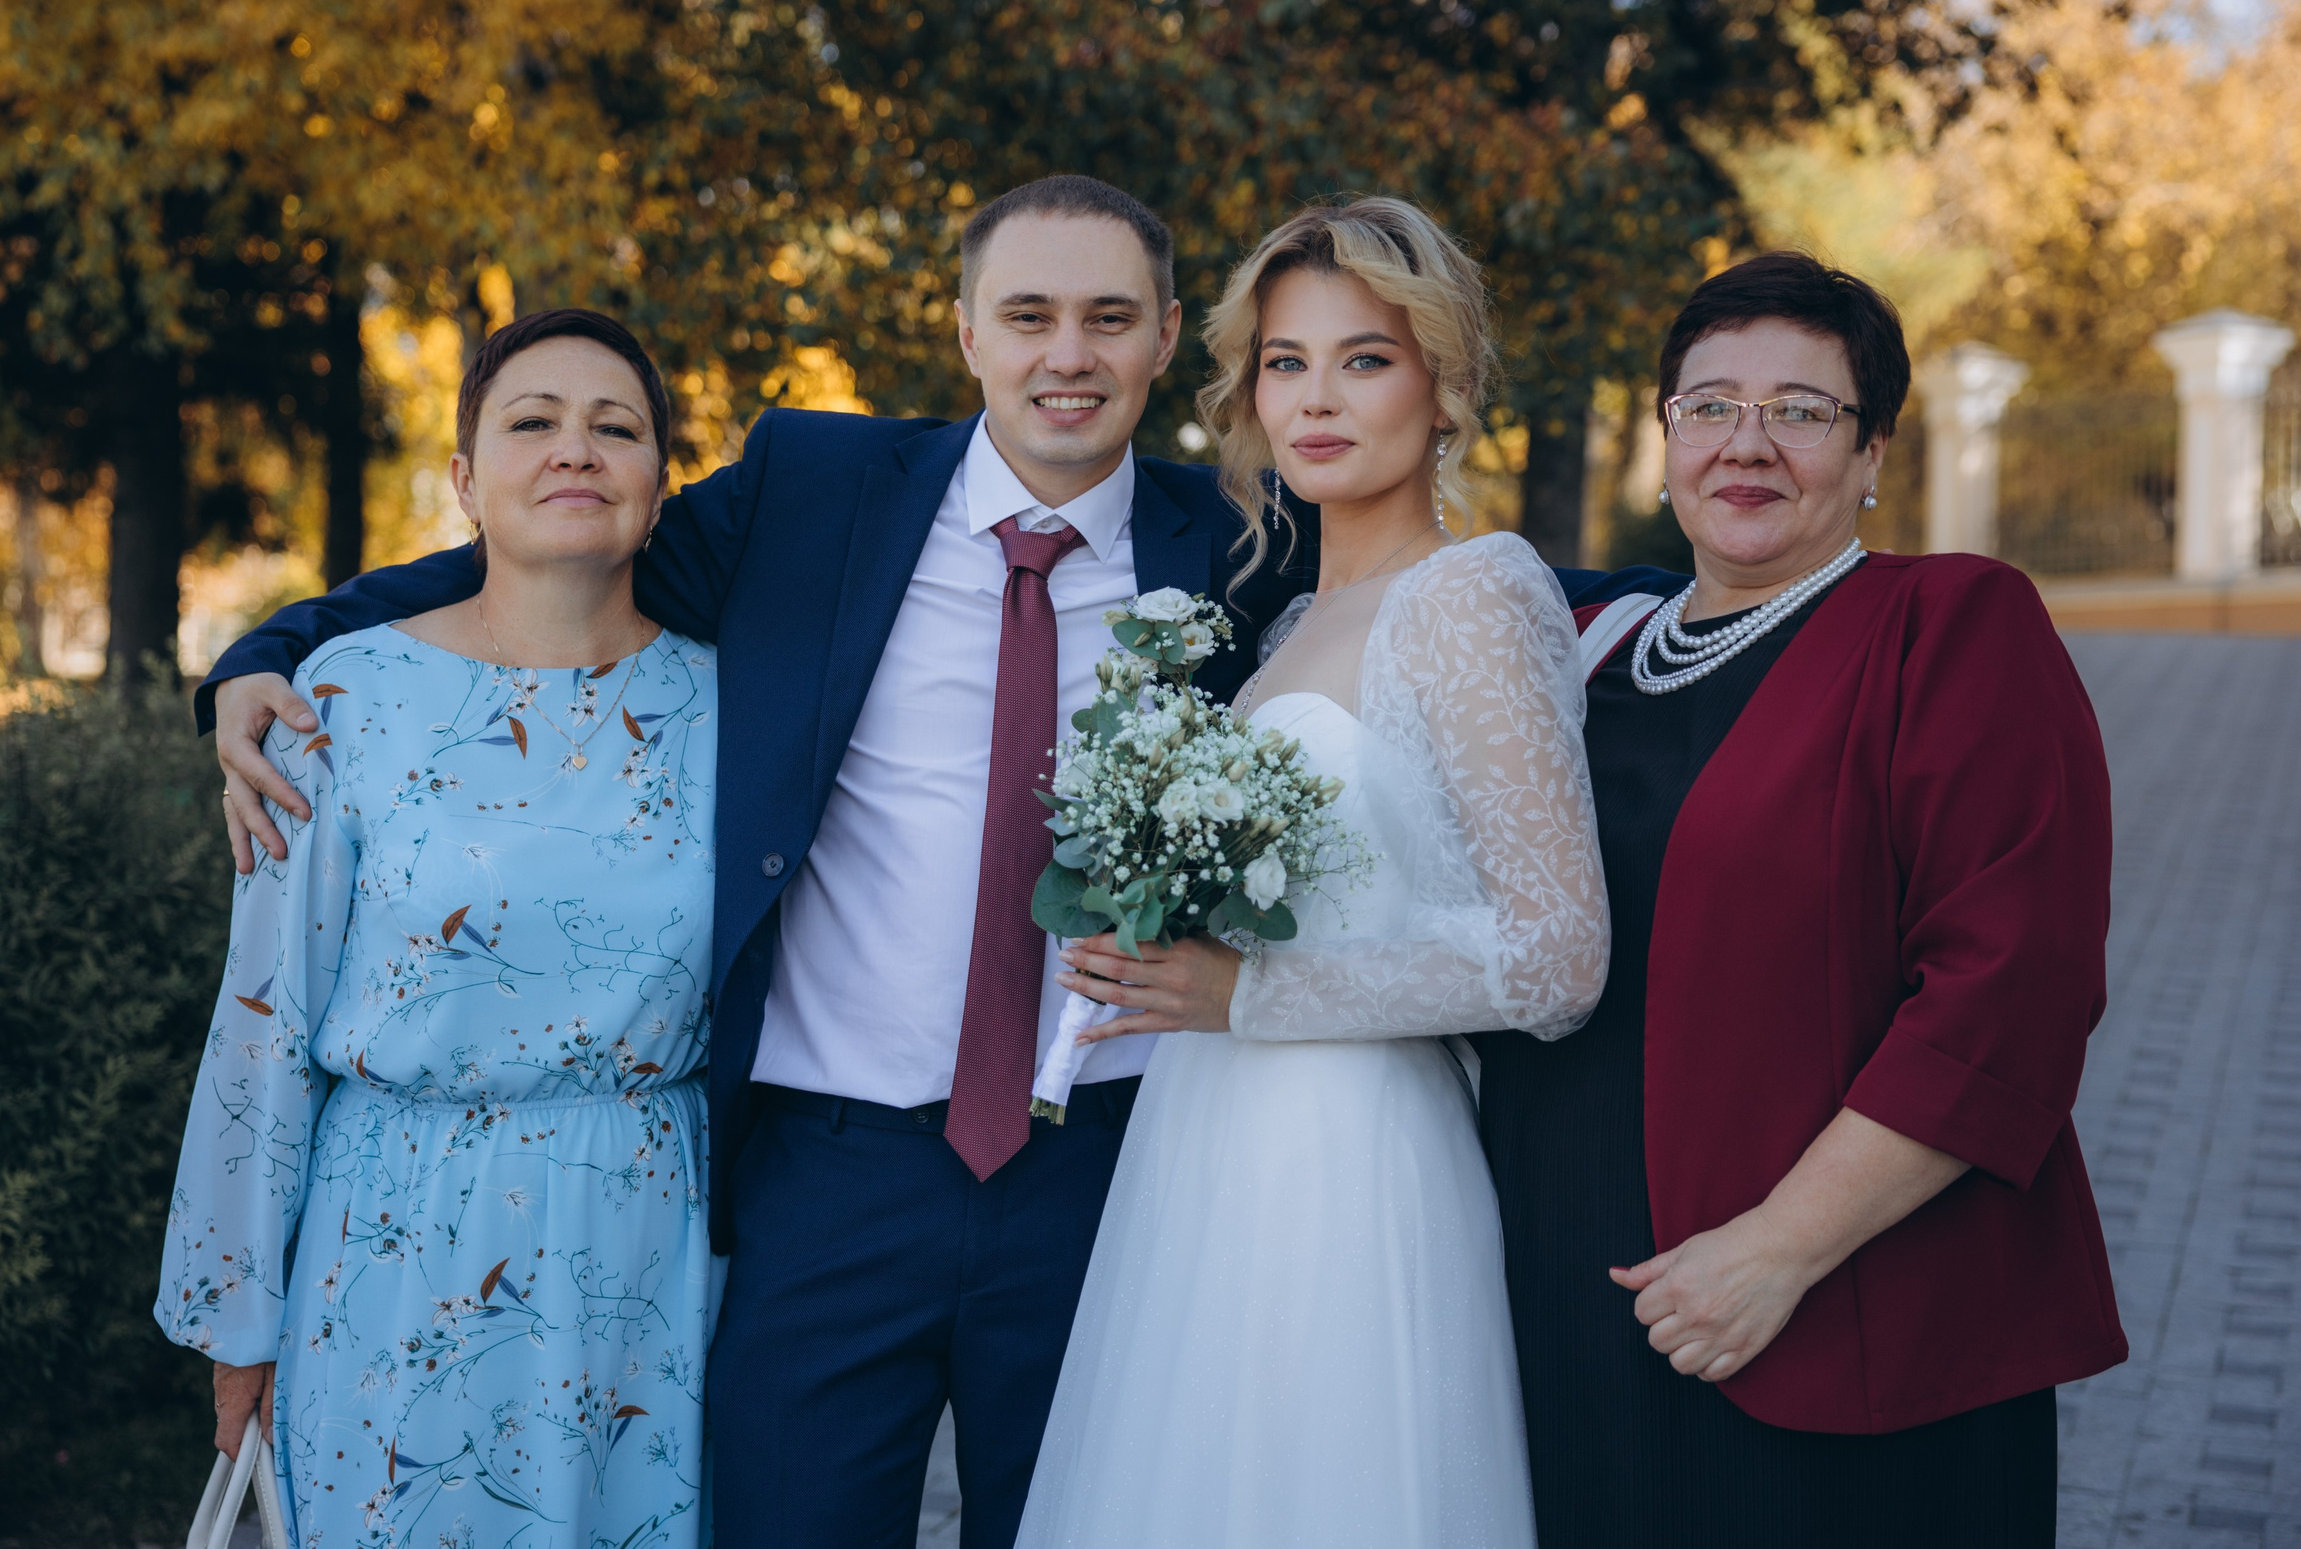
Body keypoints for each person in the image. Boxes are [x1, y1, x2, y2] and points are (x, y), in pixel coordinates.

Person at [199, 178, 1676, 1546]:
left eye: (1109, 318)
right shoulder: (815, 488)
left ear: (1167, 337)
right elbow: (560, 542)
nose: (1066, 356)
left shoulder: (1238, 537)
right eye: (1028, 315)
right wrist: (268, 650)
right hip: (832, 1172)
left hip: (1116, 1164)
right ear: (966, 330)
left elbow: (1456, 599)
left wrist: (1724, 607)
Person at [1476, 251, 2128, 1548]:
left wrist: (1777, 1248)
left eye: (1802, 410)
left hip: (1838, 1315)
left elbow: (2009, 993)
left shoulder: (1949, 626)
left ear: (1872, 447)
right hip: (1570, 1303)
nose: (1747, 442)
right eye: (1711, 405)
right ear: (1666, 435)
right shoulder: (1583, 651)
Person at [1016, 198, 1607, 1548]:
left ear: (1443, 384)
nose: (1316, 398)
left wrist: (1247, 995)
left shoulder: (1473, 593)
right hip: (1209, 1142)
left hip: (1351, 1154)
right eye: (1285, 361)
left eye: (1365, 358)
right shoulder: (1288, 618)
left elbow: (1559, 957)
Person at [157, 309, 720, 1545]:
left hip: (649, 1250)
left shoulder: (732, 707)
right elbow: (264, 1021)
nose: (574, 449)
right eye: (533, 422)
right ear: (464, 481)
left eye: (615, 428)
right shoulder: (342, 697)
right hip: (397, 1241)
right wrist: (238, 1321)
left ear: (659, 486)